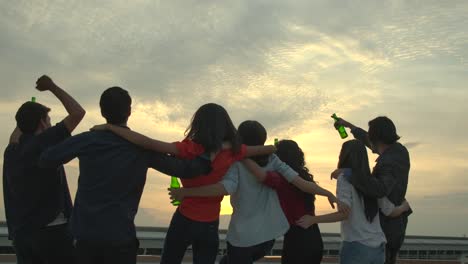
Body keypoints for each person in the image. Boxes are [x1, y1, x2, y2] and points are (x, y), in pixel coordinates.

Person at [38, 87, 212, 264]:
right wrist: (211, 151)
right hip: (120, 238)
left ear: (102, 111)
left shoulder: (87, 140)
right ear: (129, 111)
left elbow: (46, 158)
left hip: (84, 237)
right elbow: (184, 170)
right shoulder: (141, 148)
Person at [90, 105, 276, 264]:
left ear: (198, 124)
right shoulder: (235, 152)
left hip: (184, 219)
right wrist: (226, 147)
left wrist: (111, 128)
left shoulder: (189, 148)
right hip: (210, 222)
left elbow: (149, 143)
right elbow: (267, 149)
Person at [169, 121, 339, 264]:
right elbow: (301, 183)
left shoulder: (236, 163)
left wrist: (186, 192)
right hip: (268, 238)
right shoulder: (273, 159)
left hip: (242, 238)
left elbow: (225, 187)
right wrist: (327, 193)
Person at [3, 75, 85, 264]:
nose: (50, 124)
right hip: (51, 233)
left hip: (22, 235)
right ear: (41, 123)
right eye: (48, 120)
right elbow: (77, 113)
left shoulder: (11, 151)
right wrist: (52, 86)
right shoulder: (43, 143)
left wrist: (26, 115)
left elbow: (17, 134)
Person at [296, 140, 411, 264]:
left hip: (357, 246)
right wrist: (404, 207)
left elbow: (344, 213)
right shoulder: (373, 181)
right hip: (378, 248)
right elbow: (390, 211)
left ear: (344, 156)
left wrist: (313, 220)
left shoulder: (344, 179)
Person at [334, 116, 411, 264]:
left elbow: (379, 189)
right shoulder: (397, 151)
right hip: (390, 224)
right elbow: (368, 141)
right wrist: (350, 126)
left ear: (377, 138)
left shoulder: (389, 162)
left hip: (388, 229)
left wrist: (350, 172)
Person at [241, 139, 328, 264]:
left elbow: (260, 175)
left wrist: (241, 155)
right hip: (314, 236)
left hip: (296, 238)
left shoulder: (281, 179)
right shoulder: (303, 177)